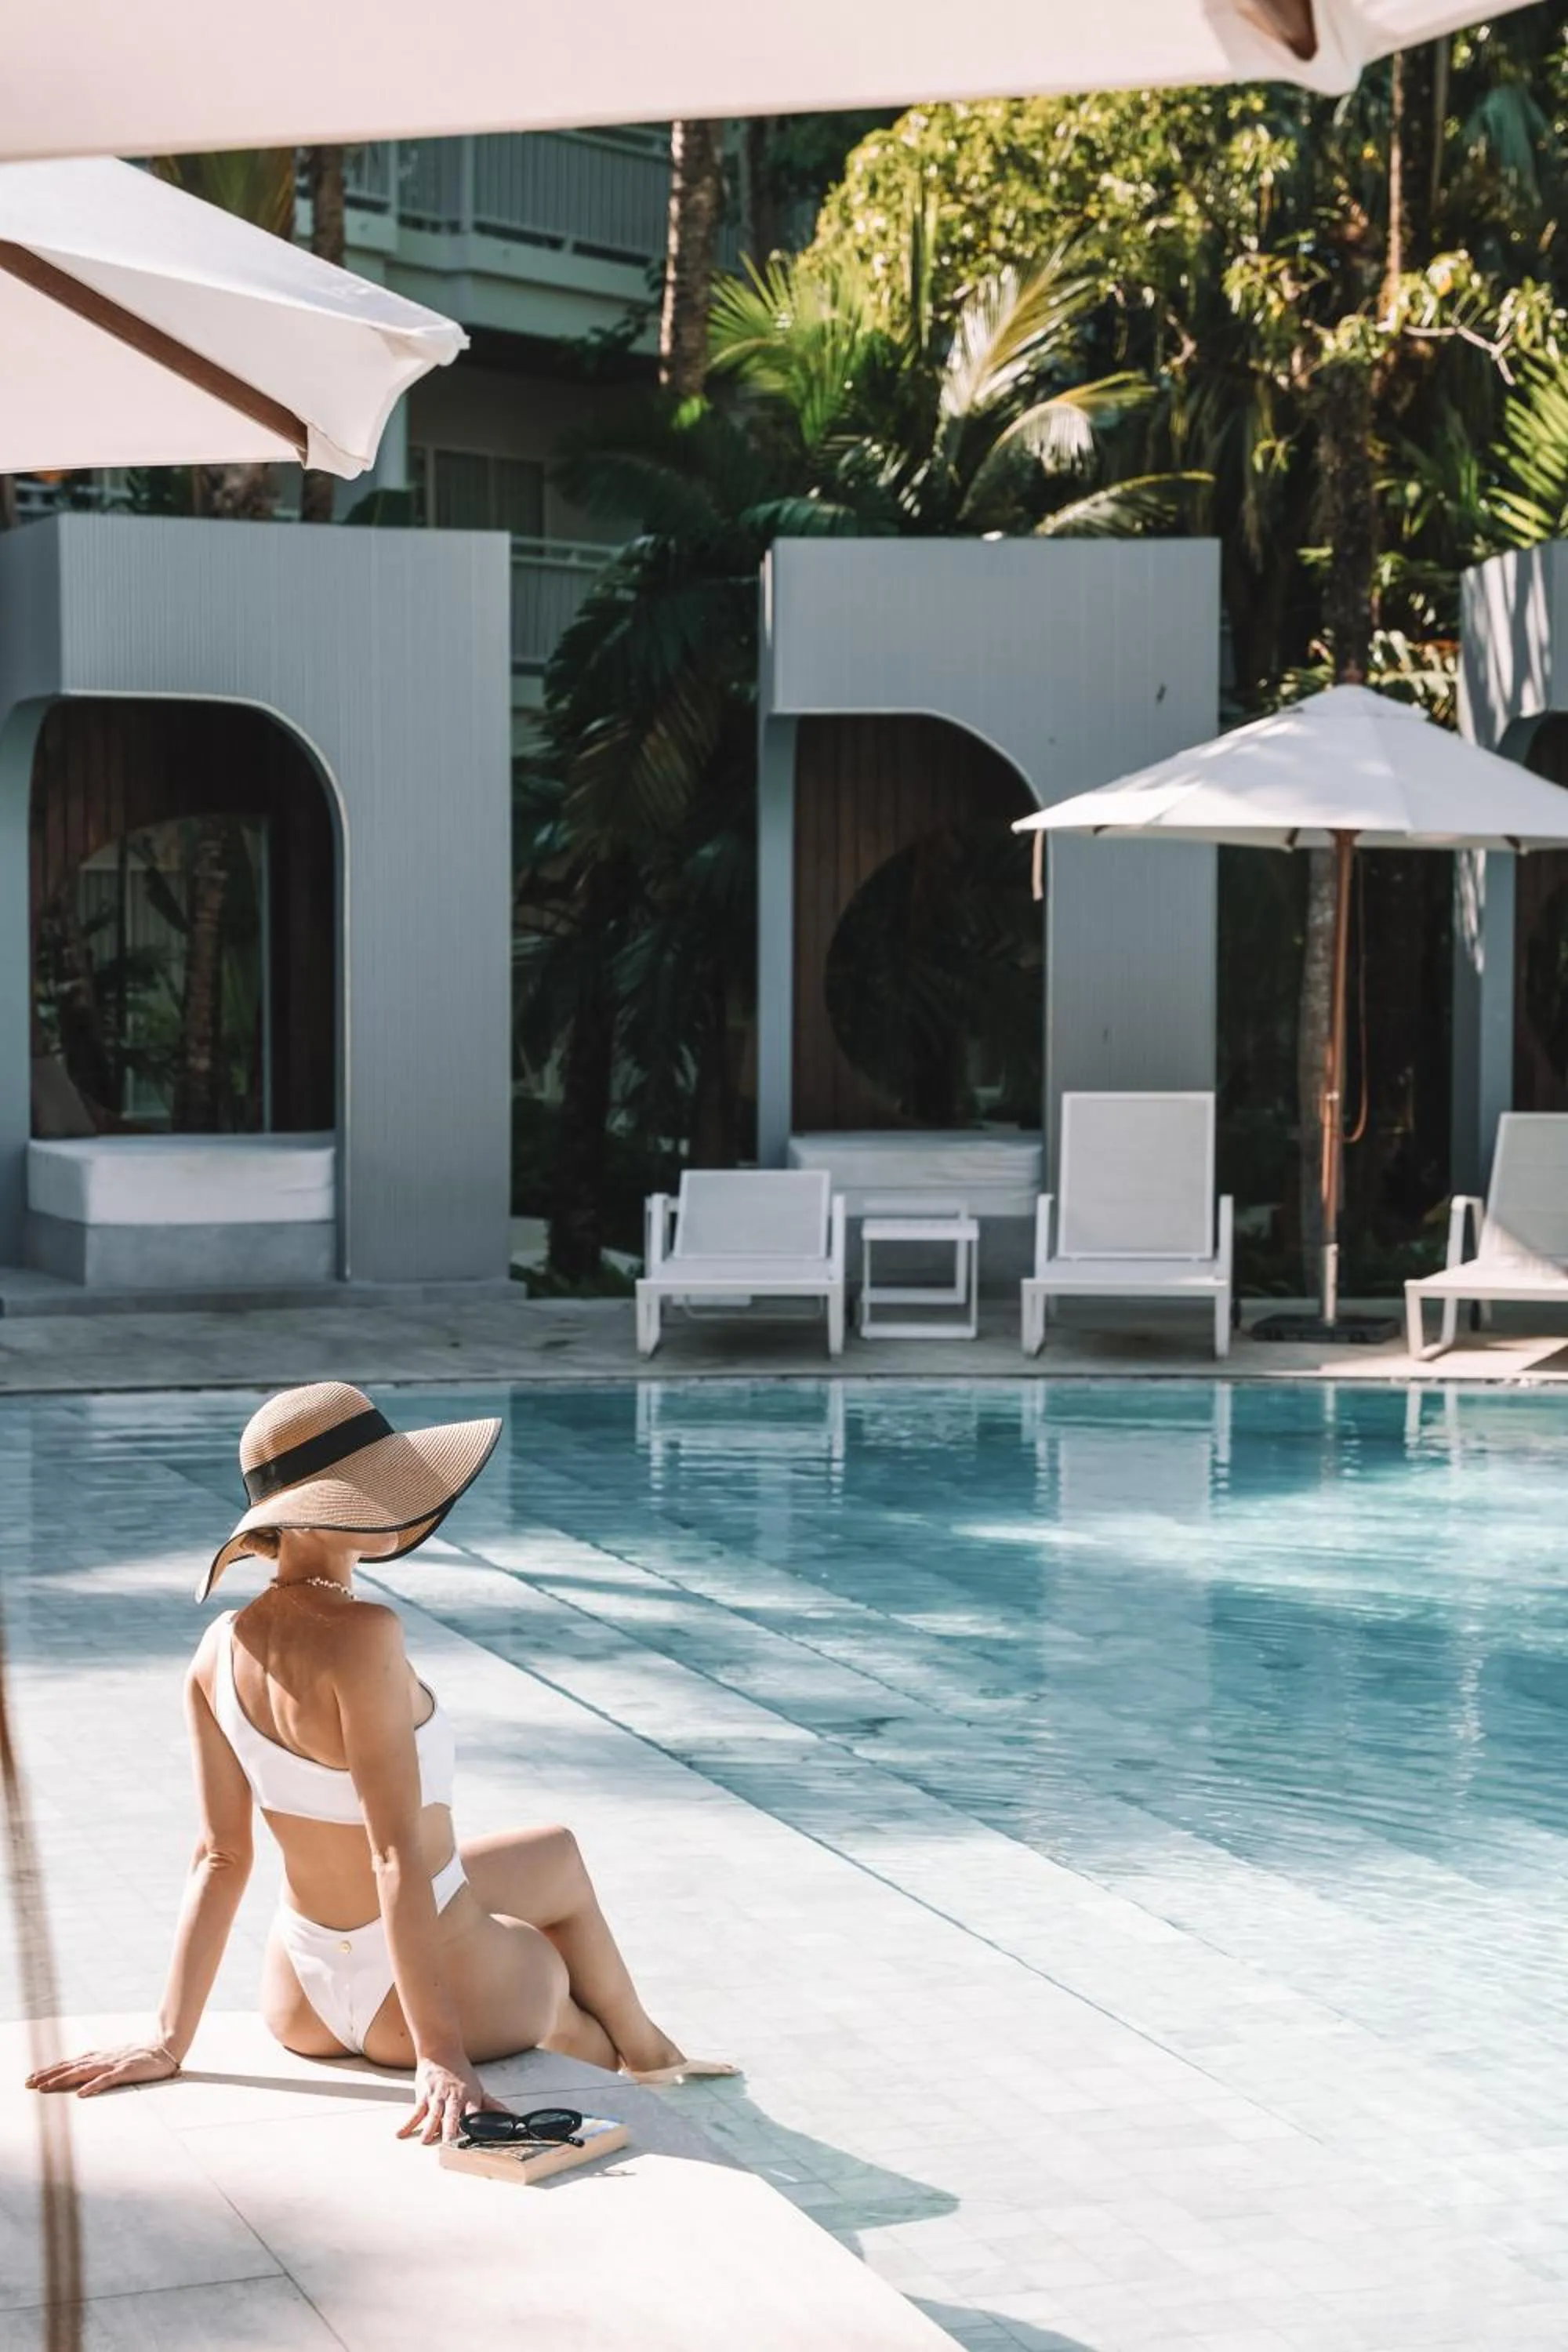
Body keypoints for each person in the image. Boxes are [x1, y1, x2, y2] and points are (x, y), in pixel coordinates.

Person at [26, 1381, 731, 2143]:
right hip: (410, 2007)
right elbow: (393, 1855)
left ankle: (654, 2048)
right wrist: (441, 2057)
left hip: (299, 1997)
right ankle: (640, 2063)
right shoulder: (364, 1633)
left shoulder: (217, 1647)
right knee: (562, 2002)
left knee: (553, 1852)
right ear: (346, 1502)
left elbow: (220, 1856)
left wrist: (168, 2039)